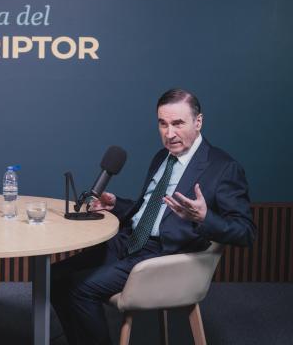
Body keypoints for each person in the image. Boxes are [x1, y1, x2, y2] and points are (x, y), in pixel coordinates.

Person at [51, 88, 255, 345]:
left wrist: (203, 218)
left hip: (162, 254)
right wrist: (117, 206)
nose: (169, 134)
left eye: (178, 123)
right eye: (163, 124)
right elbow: (152, 210)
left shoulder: (223, 168)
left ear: (198, 122)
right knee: (54, 278)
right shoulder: (163, 156)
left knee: (81, 289)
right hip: (129, 240)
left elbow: (245, 232)